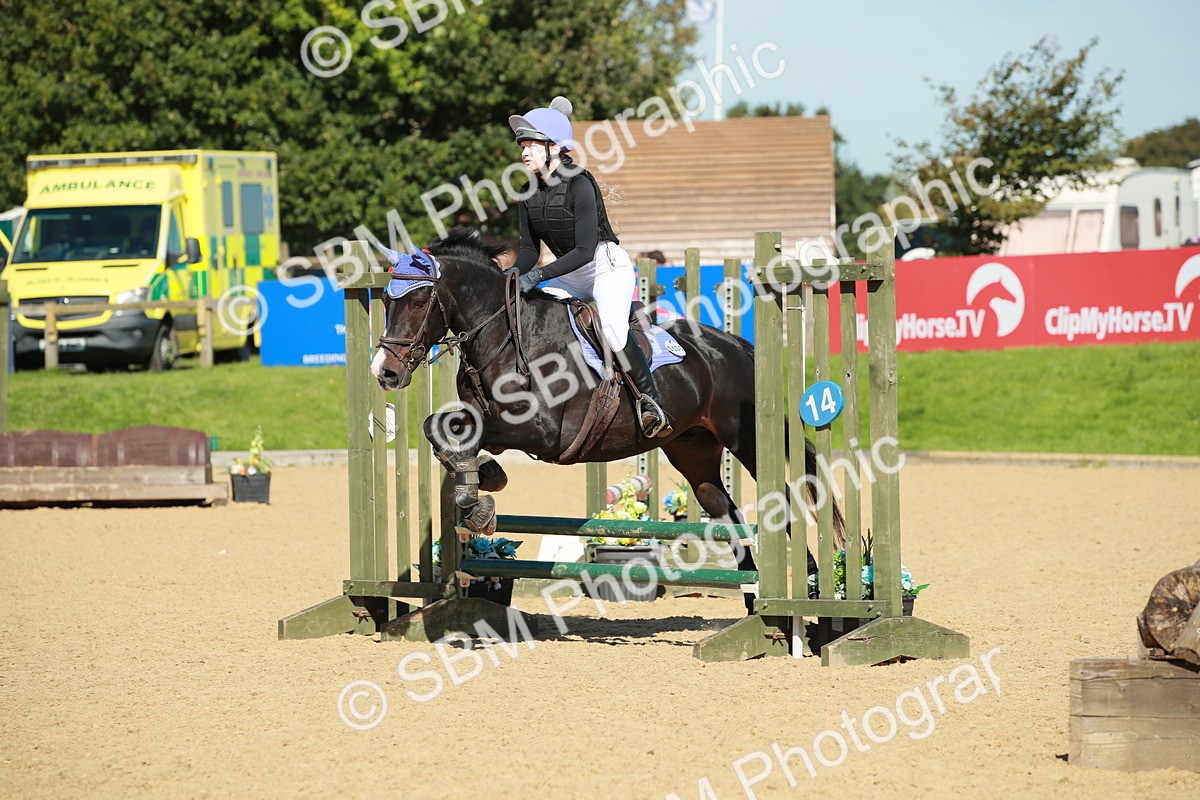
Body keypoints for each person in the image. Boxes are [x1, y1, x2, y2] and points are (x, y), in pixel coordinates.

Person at [507, 96, 671, 438]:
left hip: (604, 267)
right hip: (566, 273)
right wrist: (512, 276)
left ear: (554, 147)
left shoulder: (580, 183)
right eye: (522, 145)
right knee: (528, 309)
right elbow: (527, 249)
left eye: (532, 145)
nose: (524, 152)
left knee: (612, 331)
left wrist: (538, 274)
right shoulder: (527, 192)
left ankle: (650, 400)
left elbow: (584, 250)